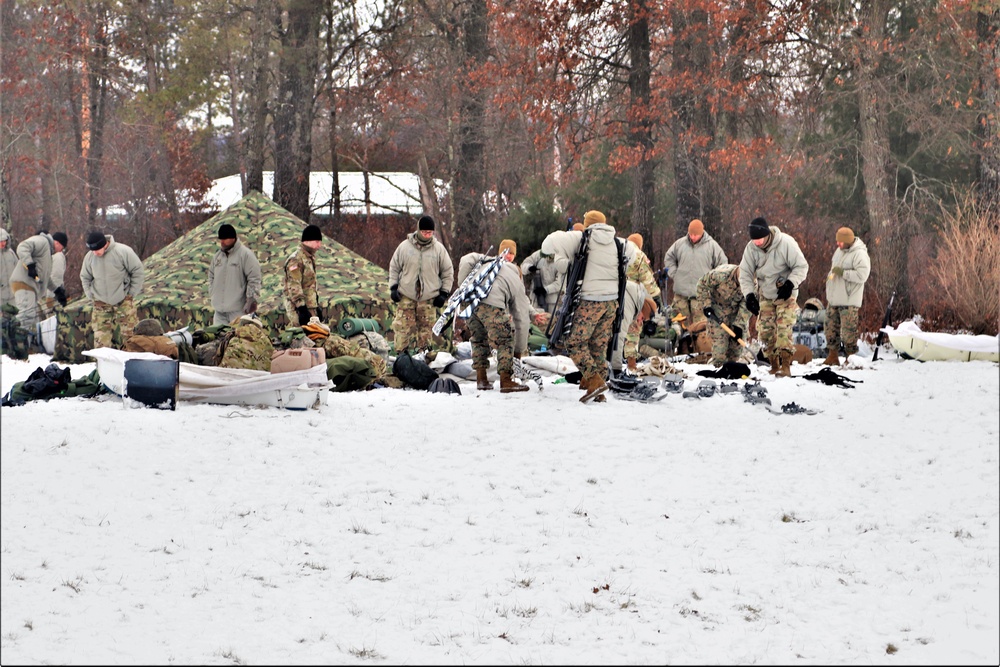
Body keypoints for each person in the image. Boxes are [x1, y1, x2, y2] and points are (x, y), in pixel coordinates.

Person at [542, 209, 636, 403]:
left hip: (590, 301)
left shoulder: (581, 237)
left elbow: (547, 244)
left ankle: (594, 380)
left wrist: (564, 249)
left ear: (588, 223)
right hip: (612, 303)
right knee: (598, 344)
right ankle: (598, 391)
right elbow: (633, 257)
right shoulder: (619, 242)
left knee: (575, 342)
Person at [457, 239, 532, 393]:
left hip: (469, 300)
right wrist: (518, 350)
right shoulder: (515, 279)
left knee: (478, 339)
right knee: (504, 340)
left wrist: (462, 285)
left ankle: (481, 379)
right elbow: (522, 320)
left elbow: (466, 259)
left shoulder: (488, 263)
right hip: (491, 304)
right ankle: (506, 380)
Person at [738, 217, 809, 377]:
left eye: (759, 239)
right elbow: (745, 274)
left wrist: (791, 283)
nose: (757, 243)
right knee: (765, 331)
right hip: (766, 294)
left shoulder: (785, 243)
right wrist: (749, 295)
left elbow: (802, 266)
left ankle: (786, 366)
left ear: (767, 234)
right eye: (754, 240)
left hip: (786, 293)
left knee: (784, 330)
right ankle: (774, 365)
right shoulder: (751, 249)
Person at [388, 214, 454, 354]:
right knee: (402, 328)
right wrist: (393, 287)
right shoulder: (404, 247)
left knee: (426, 329)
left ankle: (424, 356)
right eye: (424, 232)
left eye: (430, 232)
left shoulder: (439, 249)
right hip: (406, 295)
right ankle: (401, 357)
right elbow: (394, 267)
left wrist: (444, 293)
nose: (427, 235)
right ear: (418, 230)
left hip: (428, 298)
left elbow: (448, 272)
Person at [80, 230, 144, 349]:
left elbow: (138, 271)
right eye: (92, 250)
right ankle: (103, 365)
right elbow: (85, 277)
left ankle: (132, 362)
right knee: (100, 337)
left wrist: (131, 293)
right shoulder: (89, 257)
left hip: (123, 298)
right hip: (100, 301)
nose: (95, 253)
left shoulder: (123, 251)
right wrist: (90, 295)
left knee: (130, 335)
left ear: (105, 244)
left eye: (97, 249)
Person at [662, 219, 727, 326]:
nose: (692, 237)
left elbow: (723, 265)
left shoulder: (712, 246)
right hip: (680, 294)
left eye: (695, 235)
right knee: (678, 326)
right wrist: (674, 274)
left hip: (701, 296)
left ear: (701, 233)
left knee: (701, 328)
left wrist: (712, 282)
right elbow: (669, 258)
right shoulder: (680, 244)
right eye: (690, 234)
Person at [824, 226, 871, 365]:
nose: (837, 244)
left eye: (840, 241)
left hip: (849, 300)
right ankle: (832, 356)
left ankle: (851, 358)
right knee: (830, 327)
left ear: (848, 241)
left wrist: (844, 273)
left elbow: (862, 275)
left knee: (849, 330)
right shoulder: (839, 252)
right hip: (834, 298)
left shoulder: (859, 254)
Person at [9, 230, 67, 333]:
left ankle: (29, 345)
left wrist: (57, 291)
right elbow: (22, 247)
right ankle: (17, 344)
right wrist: (29, 264)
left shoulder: (47, 254)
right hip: (24, 283)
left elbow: (45, 278)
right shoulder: (42, 241)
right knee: (26, 316)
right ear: (57, 242)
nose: (60, 251)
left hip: (31, 287)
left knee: (34, 320)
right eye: (62, 248)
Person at [698, 264, 752, 367]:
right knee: (720, 352)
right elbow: (702, 284)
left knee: (735, 351)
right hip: (718, 310)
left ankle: (730, 372)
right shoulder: (720, 275)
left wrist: (739, 324)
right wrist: (706, 305)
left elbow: (747, 304)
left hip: (737, 311)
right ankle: (717, 367)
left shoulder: (752, 282)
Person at [209, 223, 263, 326]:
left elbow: (254, 279)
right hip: (219, 313)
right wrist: (213, 293)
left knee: (237, 340)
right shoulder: (217, 257)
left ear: (233, 238)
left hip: (238, 312)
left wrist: (251, 301)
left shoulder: (246, 255)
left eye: (225, 239)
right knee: (218, 340)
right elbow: (211, 276)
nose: (222, 242)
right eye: (221, 239)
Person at [610, 279, 652, 379]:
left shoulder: (637, 299)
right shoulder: (629, 306)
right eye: (642, 318)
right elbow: (619, 336)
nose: (640, 321)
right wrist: (617, 370)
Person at [283, 224, 324, 327]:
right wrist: (301, 308)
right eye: (317, 242)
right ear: (308, 241)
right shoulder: (296, 259)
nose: (319, 245)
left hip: (309, 307)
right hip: (298, 309)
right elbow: (294, 285)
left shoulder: (309, 258)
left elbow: (310, 284)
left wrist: (315, 305)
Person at [520, 248, 565, 322]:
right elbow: (523, 266)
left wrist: (545, 290)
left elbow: (560, 283)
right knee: (537, 321)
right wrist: (529, 268)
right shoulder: (539, 255)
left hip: (552, 301)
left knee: (551, 323)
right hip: (536, 298)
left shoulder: (561, 260)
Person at [42, 231, 67, 318]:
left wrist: (50, 297)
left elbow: (56, 277)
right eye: (62, 247)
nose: (62, 250)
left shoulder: (58, 256)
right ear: (57, 243)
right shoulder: (52, 255)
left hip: (53, 296)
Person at [0, 228, 18, 310]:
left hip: (12, 293)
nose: (3, 243)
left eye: (4, 241)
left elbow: (18, 268)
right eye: (1, 241)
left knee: (14, 317)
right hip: (1, 295)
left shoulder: (11, 252)